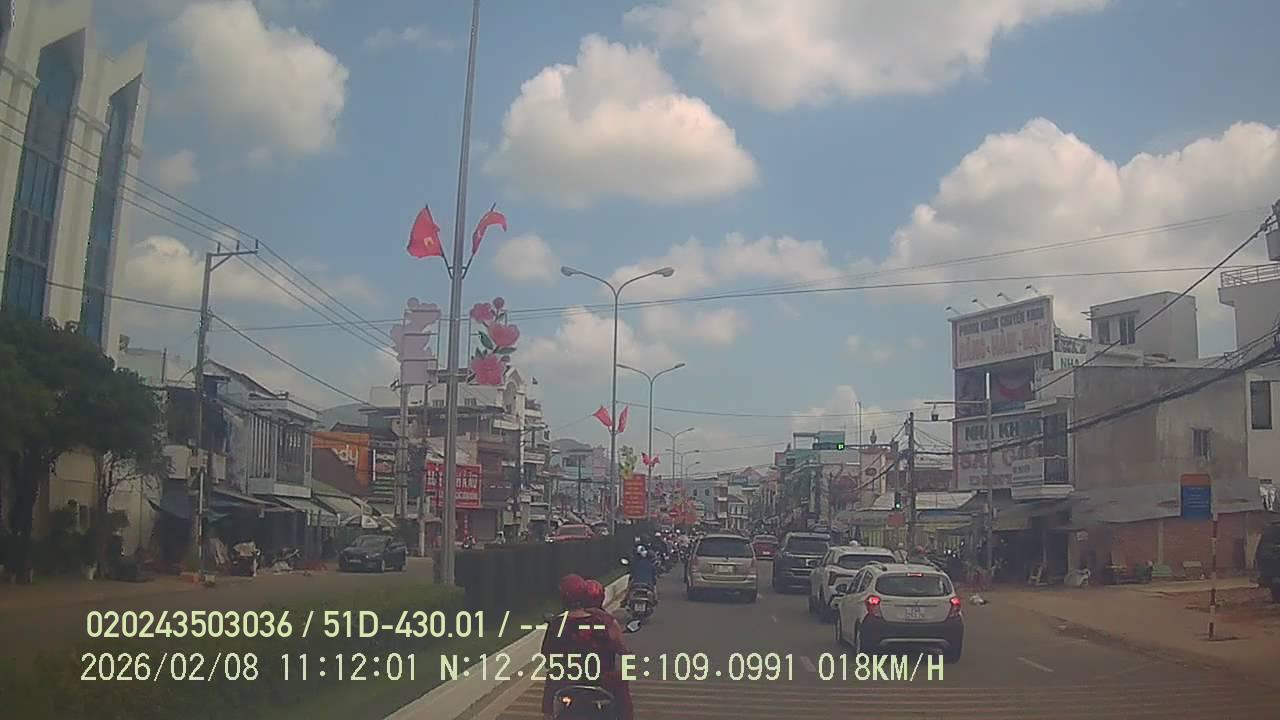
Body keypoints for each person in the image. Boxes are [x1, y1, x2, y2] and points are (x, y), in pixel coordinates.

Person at [541, 576, 633, 720]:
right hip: (602, 680)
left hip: (567, 680)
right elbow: (623, 650)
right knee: (622, 686)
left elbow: (547, 658)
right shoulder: (605, 622)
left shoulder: (556, 624)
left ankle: (548, 715)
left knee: (551, 678)